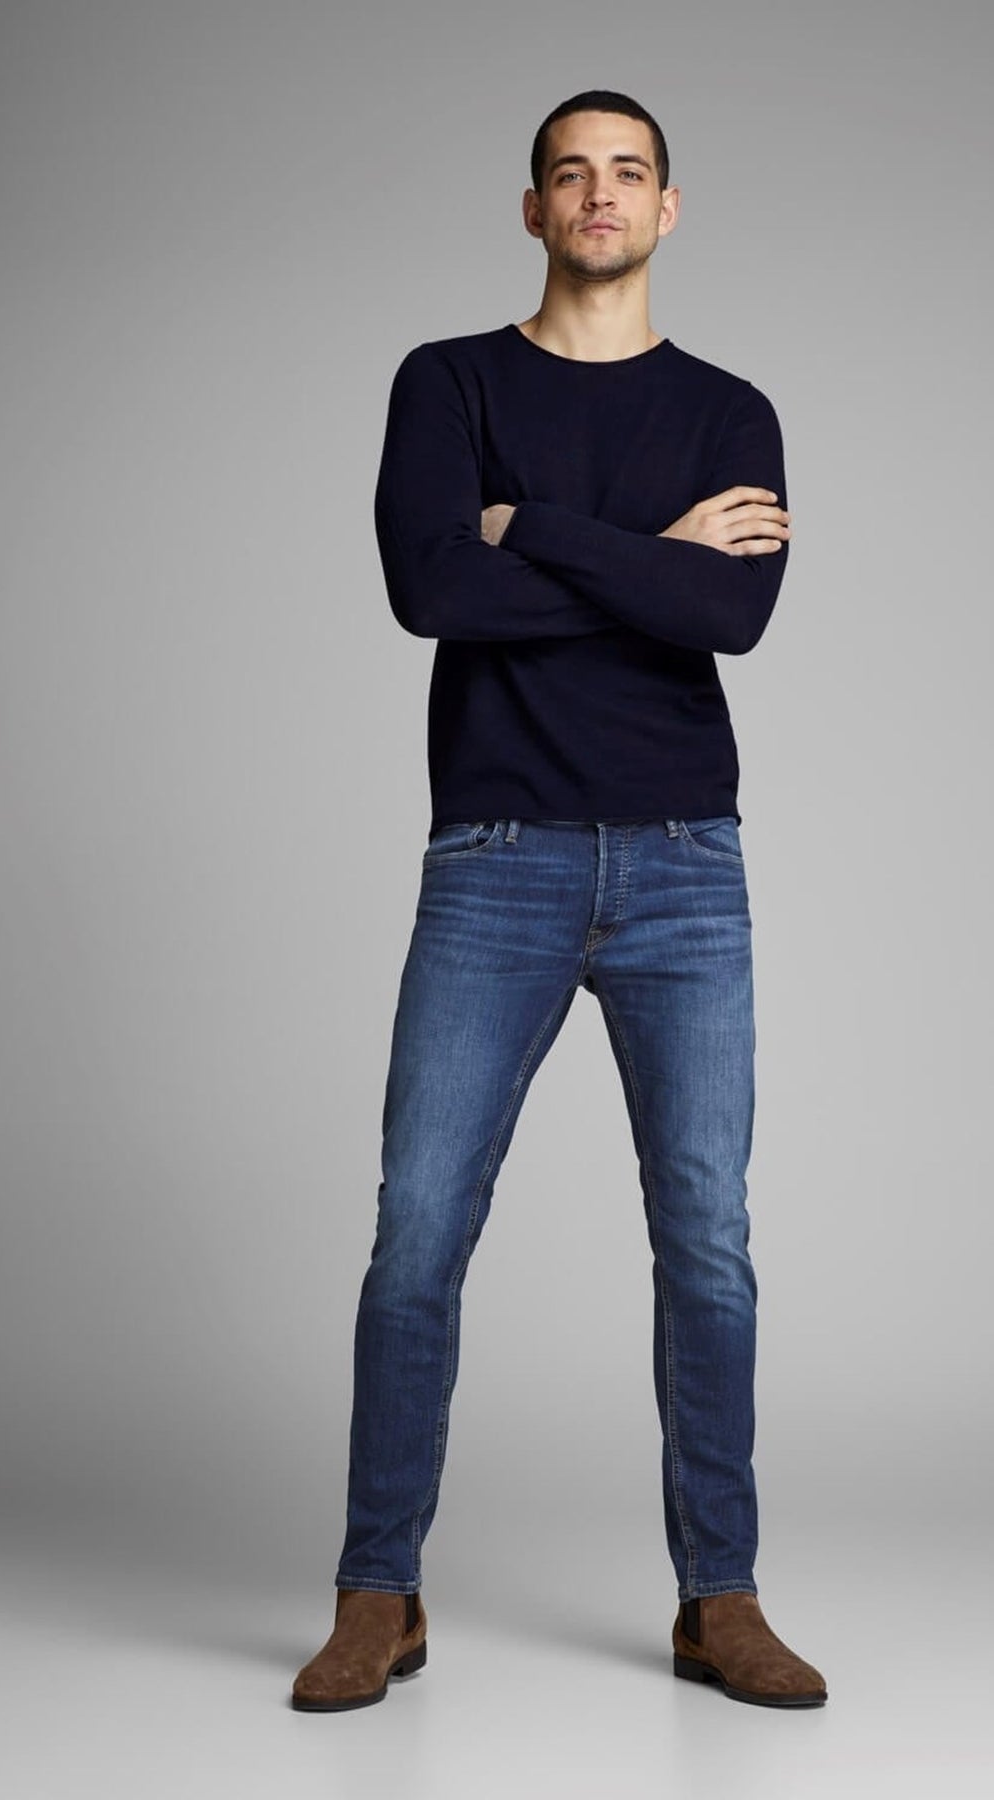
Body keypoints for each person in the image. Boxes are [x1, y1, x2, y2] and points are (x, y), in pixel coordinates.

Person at [292, 89, 827, 1713]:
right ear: (531, 209)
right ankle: (377, 1591)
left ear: (668, 209)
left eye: (628, 173)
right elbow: (429, 588)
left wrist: (538, 529)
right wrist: (650, 557)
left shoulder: (730, 410)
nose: (599, 194)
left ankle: (718, 1599)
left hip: (683, 866)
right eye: (570, 174)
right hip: (497, 859)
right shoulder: (447, 383)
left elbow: (732, 617)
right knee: (418, 1231)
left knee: (707, 1241)